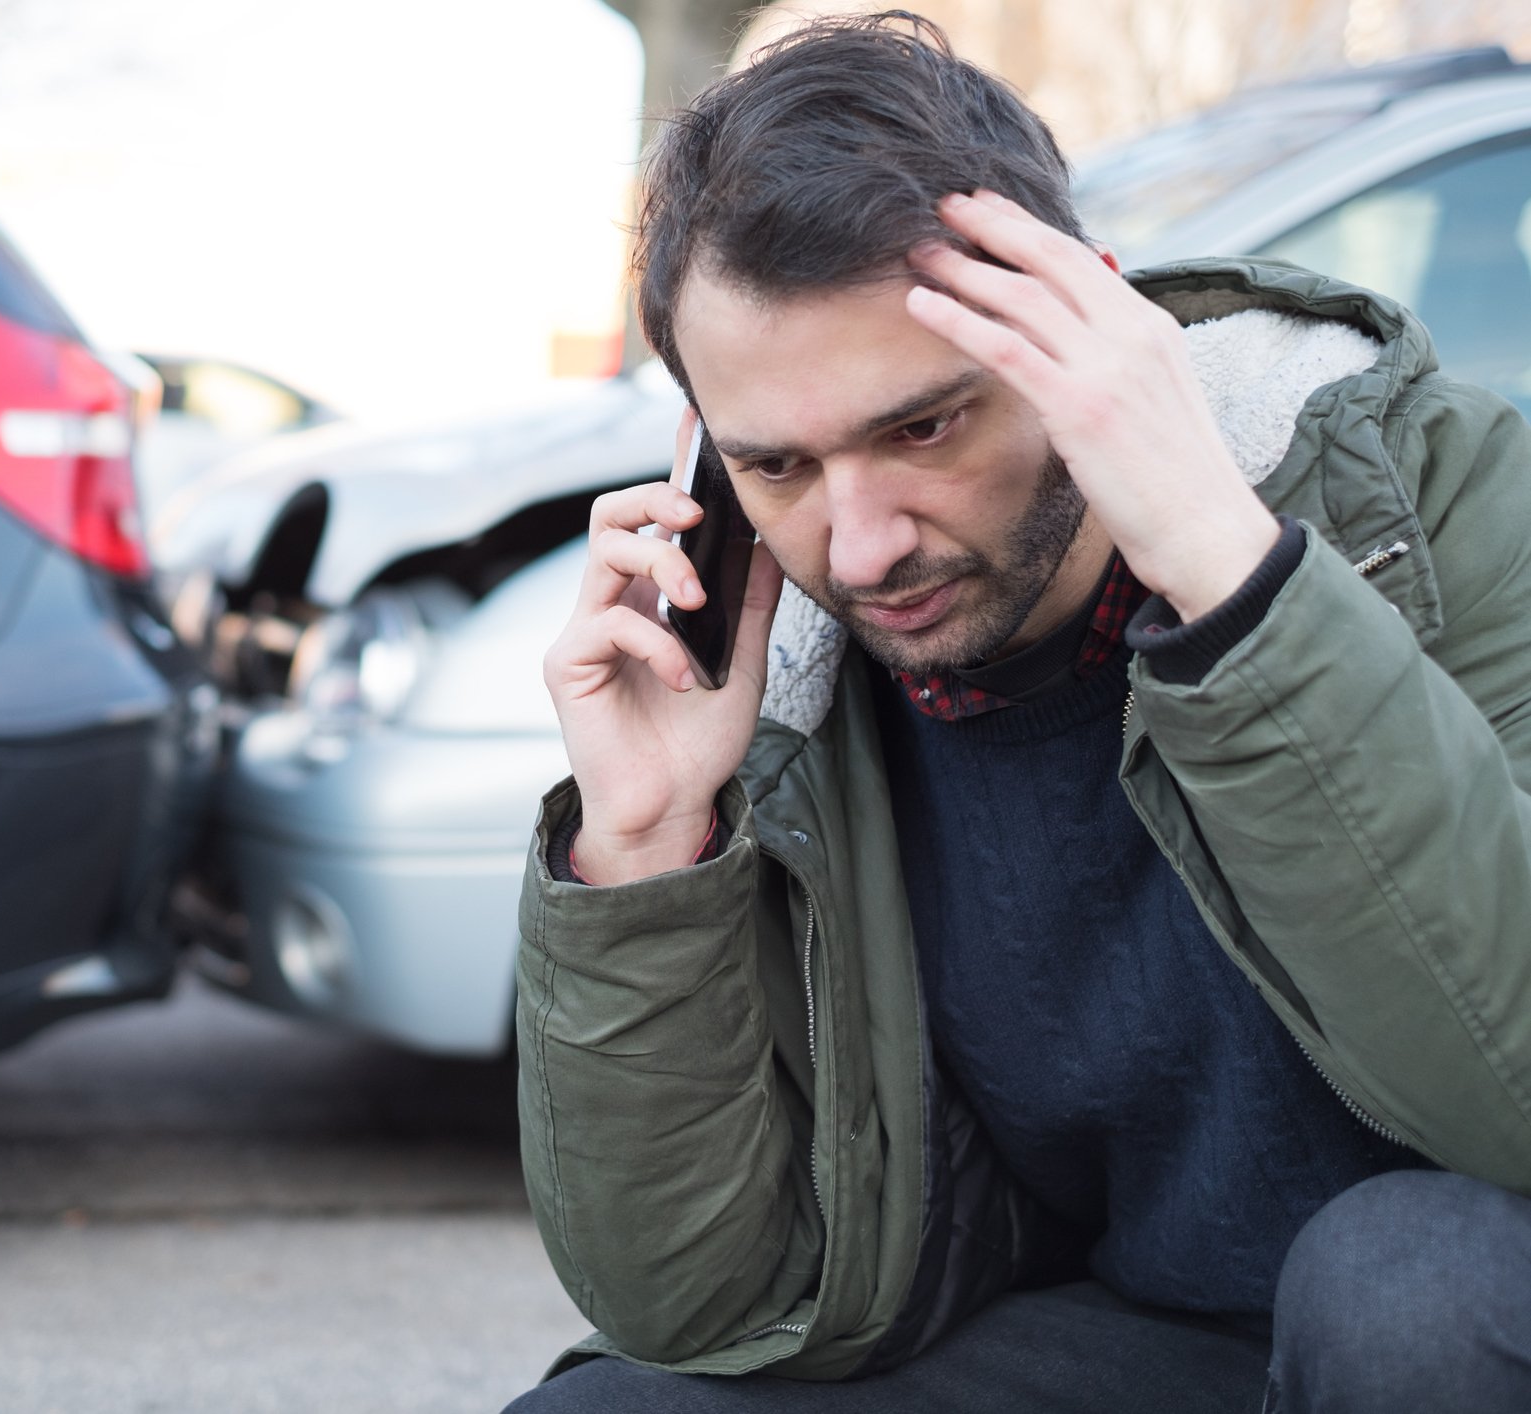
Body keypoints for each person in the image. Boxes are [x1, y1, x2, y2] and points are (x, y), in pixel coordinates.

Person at [506, 12, 1531, 1413]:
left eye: (921, 427)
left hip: (1461, 1311)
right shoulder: (788, 688)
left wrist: (1235, 587)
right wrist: (642, 853)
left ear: (1087, 334)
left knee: (1407, 1282)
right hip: (1147, 1341)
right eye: (777, 464)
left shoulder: (1436, 500)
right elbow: (700, 1299)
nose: (859, 546)